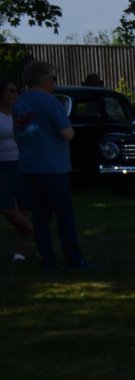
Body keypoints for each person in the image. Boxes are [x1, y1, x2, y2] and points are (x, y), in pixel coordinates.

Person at [13, 61, 91, 271]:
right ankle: (75, 259)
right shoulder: (50, 102)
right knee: (64, 215)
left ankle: (47, 259)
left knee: (40, 217)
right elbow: (67, 133)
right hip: (53, 167)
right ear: (44, 79)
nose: (55, 82)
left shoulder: (20, 102)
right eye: (53, 77)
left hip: (29, 166)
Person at [0, 79, 35, 263]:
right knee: (7, 208)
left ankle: (20, 251)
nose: (15, 94)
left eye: (17, 91)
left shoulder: (20, 113)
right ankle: (40, 240)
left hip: (21, 161)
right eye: (11, 91)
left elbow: (32, 132)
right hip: (3, 164)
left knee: (23, 207)